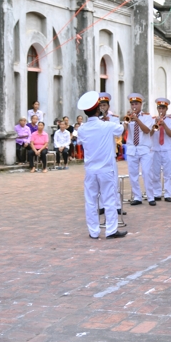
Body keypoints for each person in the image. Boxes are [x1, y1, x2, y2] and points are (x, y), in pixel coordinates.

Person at [77, 91, 127, 240]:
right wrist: (109, 118)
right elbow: (121, 129)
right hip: (106, 169)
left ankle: (94, 232)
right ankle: (111, 230)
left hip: (91, 170)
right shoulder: (107, 125)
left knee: (91, 201)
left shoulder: (82, 129)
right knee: (109, 199)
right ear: (98, 109)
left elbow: (79, 142)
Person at [125, 93, 155, 206]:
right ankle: (137, 197)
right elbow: (122, 130)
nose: (134, 106)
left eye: (136, 104)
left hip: (144, 147)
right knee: (133, 174)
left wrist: (137, 120)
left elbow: (147, 130)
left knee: (147, 172)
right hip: (132, 148)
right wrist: (126, 120)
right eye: (132, 104)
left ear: (141, 104)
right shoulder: (128, 116)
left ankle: (150, 197)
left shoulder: (147, 116)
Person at [150, 97, 171, 203]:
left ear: (166, 109)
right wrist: (154, 125)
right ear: (157, 109)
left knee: (168, 173)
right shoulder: (152, 120)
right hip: (155, 149)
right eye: (159, 108)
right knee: (155, 173)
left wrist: (164, 125)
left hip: (167, 149)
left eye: (163, 108)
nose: (161, 110)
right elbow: (149, 134)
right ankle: (157, 193)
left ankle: (168, 193)